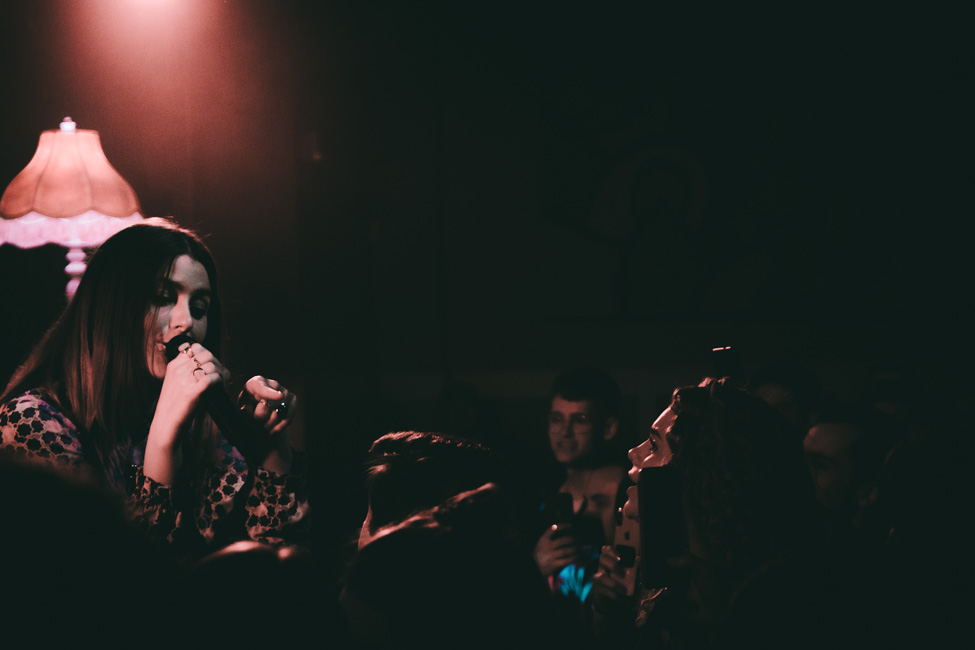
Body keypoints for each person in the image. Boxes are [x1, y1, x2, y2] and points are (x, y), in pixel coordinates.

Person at [0, 217, 309, 563]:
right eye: (163, 298)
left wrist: (271, 448)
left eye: (199, 308)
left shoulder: (201, 428)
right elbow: (125, 577)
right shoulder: (32, 422)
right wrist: (163, 440)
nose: (186, 322)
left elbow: (274, 569)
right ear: (110, 305)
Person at [592, 377, 826, 648]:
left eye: (654, 445)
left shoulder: (757, 596)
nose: (633, 452)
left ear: (697, 468)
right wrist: (607, 614)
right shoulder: (654, 573)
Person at [532, 367, 628, 626]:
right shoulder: (547, 494)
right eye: (557, 419)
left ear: (608, 427)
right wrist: (536, 565)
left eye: (580, 420)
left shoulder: (625, 492)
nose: (565, 432)